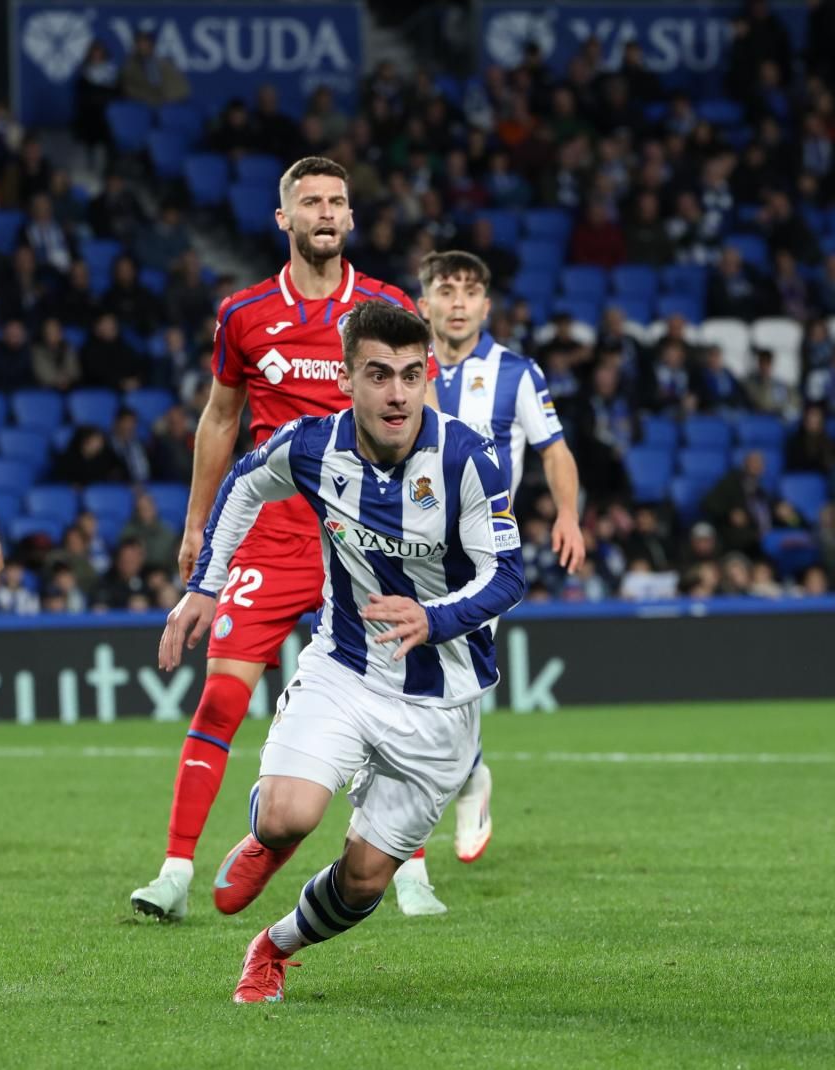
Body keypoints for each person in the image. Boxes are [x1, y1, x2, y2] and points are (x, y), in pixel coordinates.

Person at [159, 301, 526, 1002]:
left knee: (362, 883)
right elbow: (242, 485)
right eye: (379, 375)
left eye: (411, 376)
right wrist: (206, 586)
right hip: (346, 672)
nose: (396, 393)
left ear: (428, 380)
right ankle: (271, 838)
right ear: (348, 377)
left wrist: (434, 616)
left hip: (442, 705)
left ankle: (272, 947)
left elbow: (506, 575)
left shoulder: (466, 458)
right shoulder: (311, 446)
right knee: (287, 814)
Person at [128, 157, 421, 923]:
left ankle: (409, 866)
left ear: (351, 218)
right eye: (310, 203)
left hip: (362, 548)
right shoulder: (246, 314)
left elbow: (417, 418)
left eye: (338, 202)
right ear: (283, 220)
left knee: (392, 705)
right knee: (224, 694)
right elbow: (221, 420)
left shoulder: (387, 307)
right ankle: (175, 870)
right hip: (269, 536)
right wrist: (198, 525)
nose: (326, 213)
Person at [410, 249, 586, 910]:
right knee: (423, 685)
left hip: (484, 550)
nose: (457, 302)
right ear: (423, 301)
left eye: (470, 291)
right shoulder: (401, 365)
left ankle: (468, 777)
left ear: (486, 305)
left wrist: (567, 513)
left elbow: (555, 450)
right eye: (444, 289)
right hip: (408, 545)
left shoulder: (515, 372)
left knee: (446, 678)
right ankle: (464, 782)